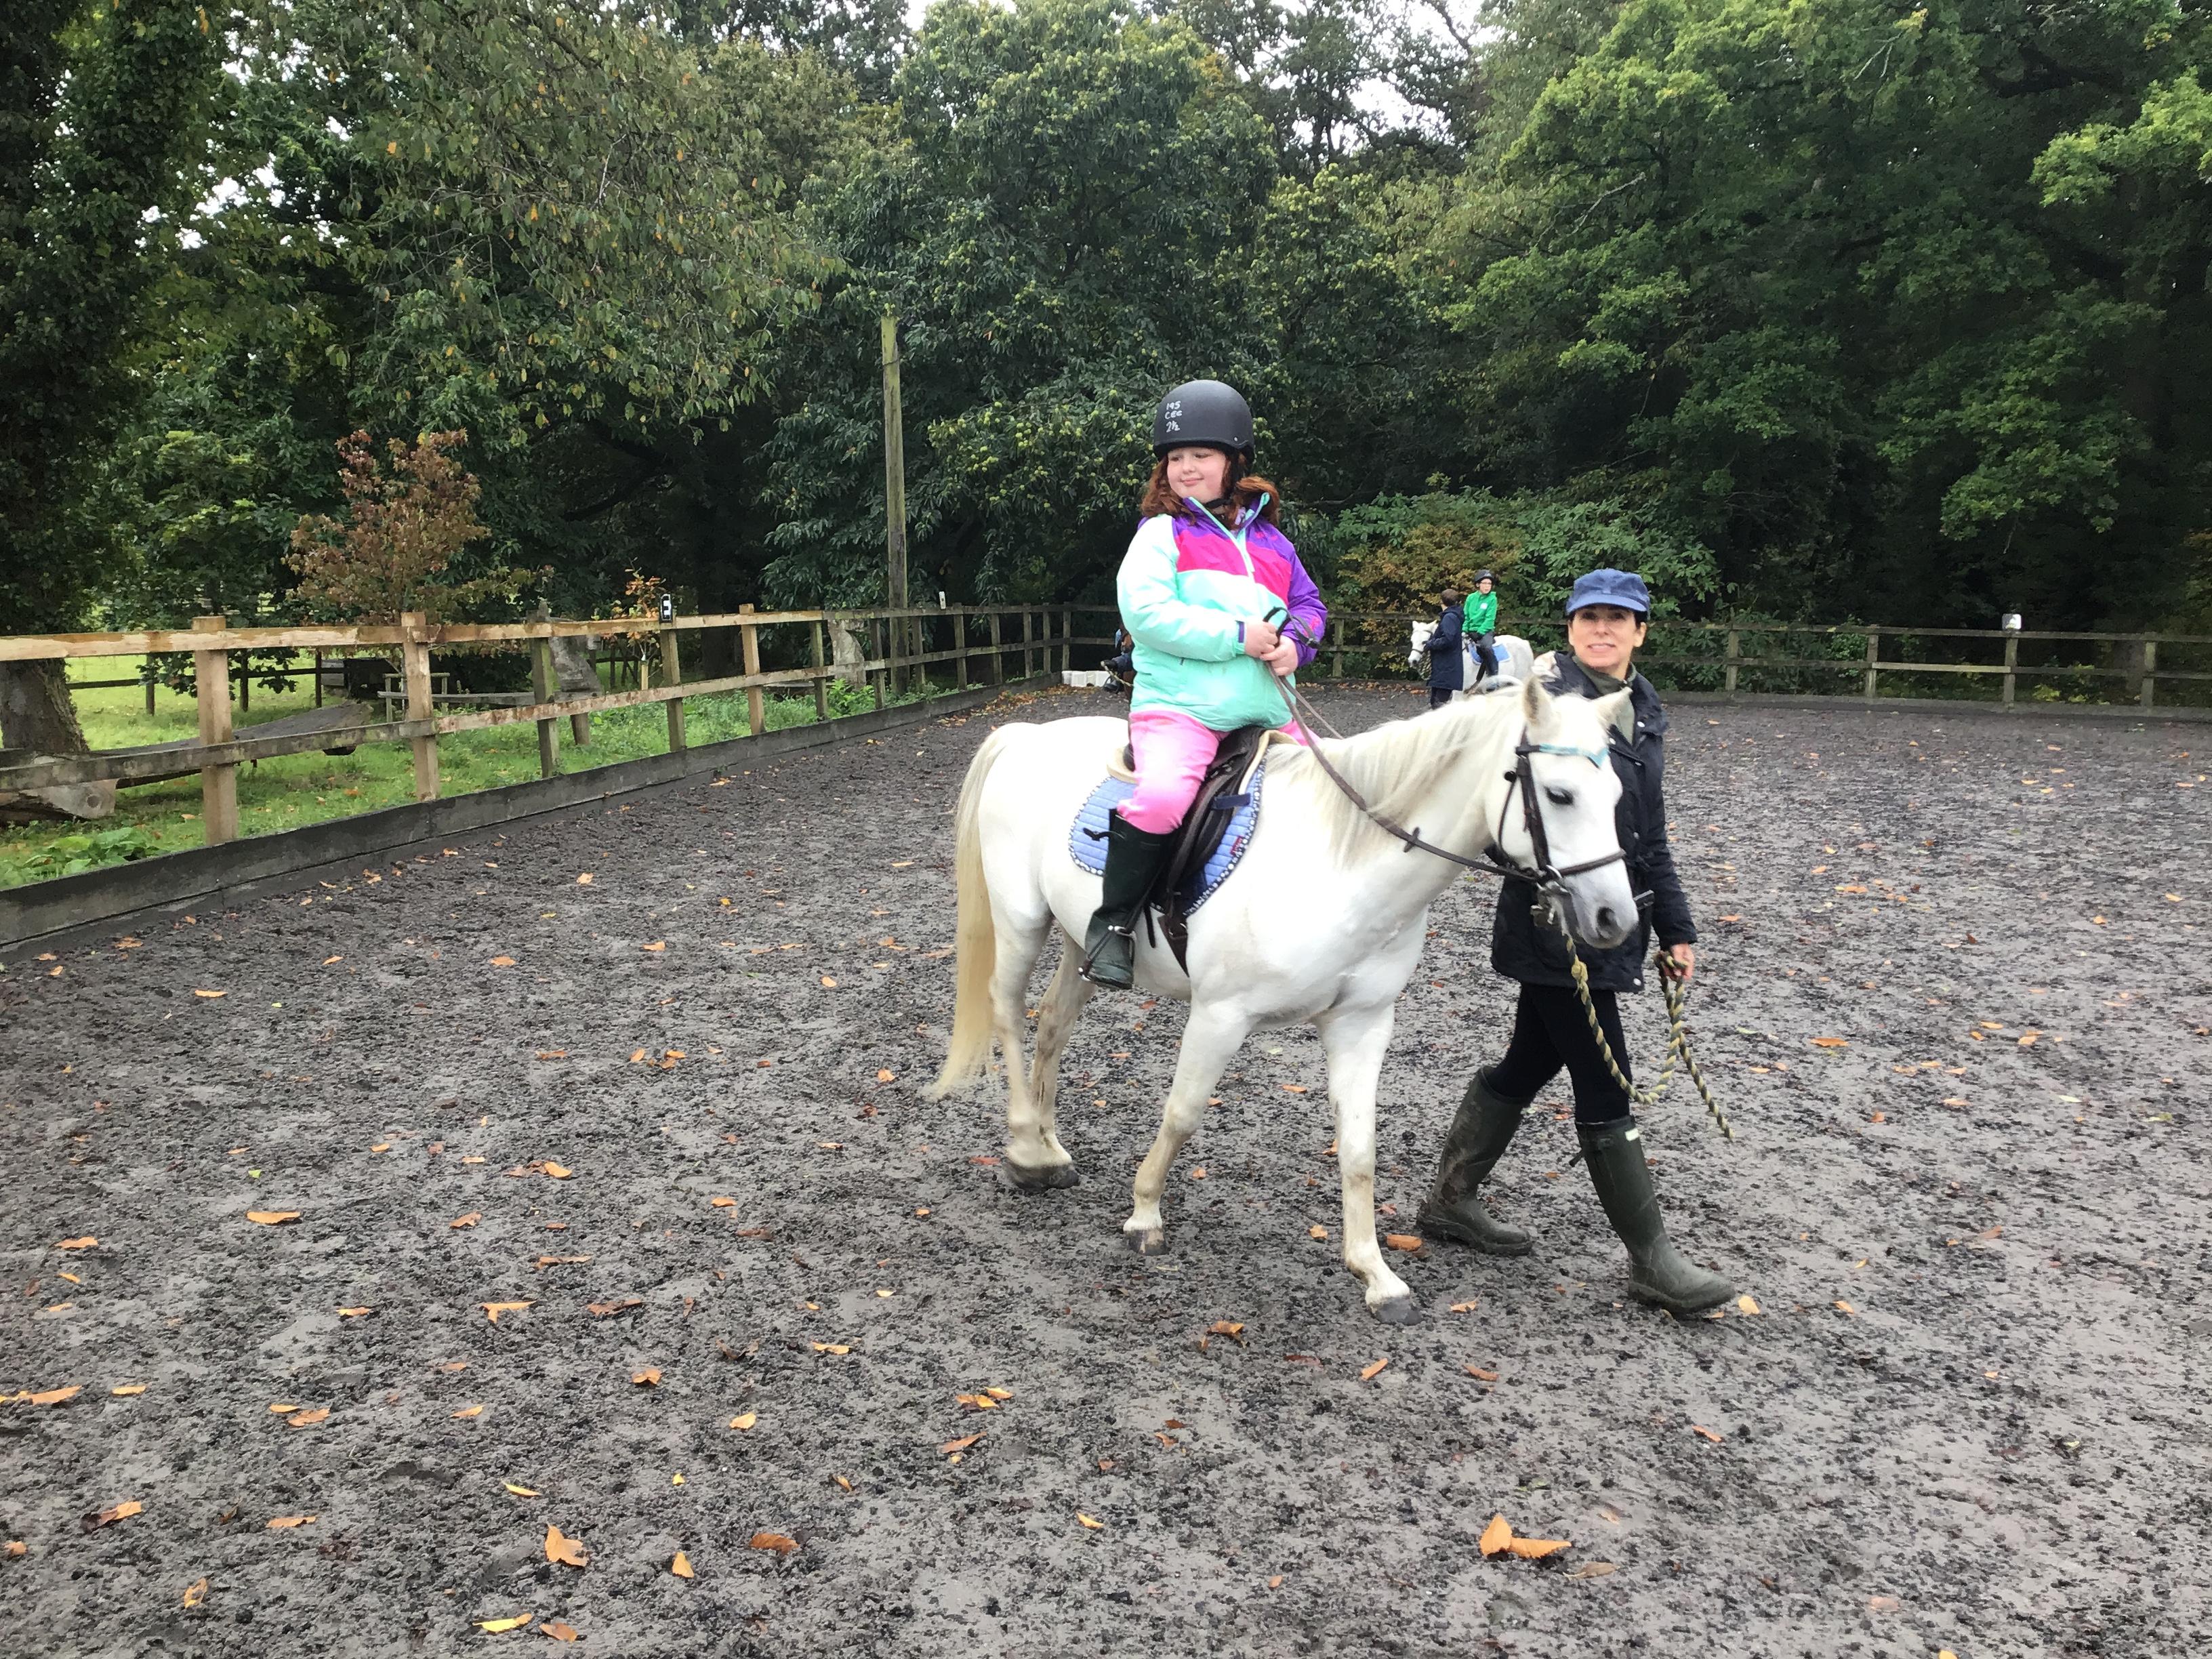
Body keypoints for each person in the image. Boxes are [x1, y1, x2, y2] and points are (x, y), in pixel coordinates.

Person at [1418, 568, 1732, 1315]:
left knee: (1530, 1060)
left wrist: (1677, 927)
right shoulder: (1540, 704)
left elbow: (1648, 832)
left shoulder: (1638, 706)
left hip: (1616, 914)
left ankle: (1450, 1201)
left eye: (1618, 619)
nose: (1603, 630)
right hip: (1555, 924)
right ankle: (1653, 1261)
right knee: (1604, 1078)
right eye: (1589, 617)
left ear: (1640, 632)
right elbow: (1490, 810)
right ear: (1570, 627)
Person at [1083, 379, 1326, 989]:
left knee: (1333, 790)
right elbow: (1146, 616)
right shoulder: (1160, 534)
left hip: (1266, 711)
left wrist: (1296, 644)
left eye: (1201, 455)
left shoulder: (1274, 542)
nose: (1186, 467)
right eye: (1176, 457)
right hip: (1181, 709)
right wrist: (1237, 636)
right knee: (1165, 796)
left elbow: (1309, 605)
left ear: (1235, 462)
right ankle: (1113, 923)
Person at [1425, 589, 1465, 708]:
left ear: (1441, 601)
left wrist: (1431, 644)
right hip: (1445, 667)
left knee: (1439, 705)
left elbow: (1448, 640)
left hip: (1446, 667)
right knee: (1435, 703)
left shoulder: (1449, 618)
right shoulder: (1452, 616)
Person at [1462, 571, 1499, 684]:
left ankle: (1493, 676)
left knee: (1486, 648)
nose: (1488, 586)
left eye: (1489, 584)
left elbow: (1489, 619)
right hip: (1470, 630)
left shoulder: (1492, 599)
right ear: (1478, 584)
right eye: (1485, 583)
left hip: (1485, 631)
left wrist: (1480, 632)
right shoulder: (1471, 598)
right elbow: (1466, 616)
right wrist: (1464, 629)